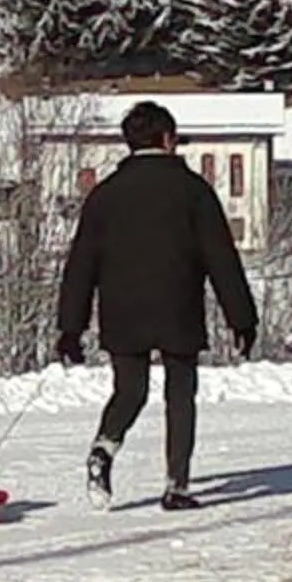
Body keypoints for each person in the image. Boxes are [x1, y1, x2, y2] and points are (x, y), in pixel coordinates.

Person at [53, 100, 258, 512]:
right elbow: (221, 258)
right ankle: (176, 486)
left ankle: (104, 449)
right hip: (178, 307)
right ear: (168, 140)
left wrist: (70, 327)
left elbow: (81, 264)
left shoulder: (104, 196)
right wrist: (242, 318)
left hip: (122, 309)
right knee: (180, 393)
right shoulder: (193, 192)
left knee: (130, 390)